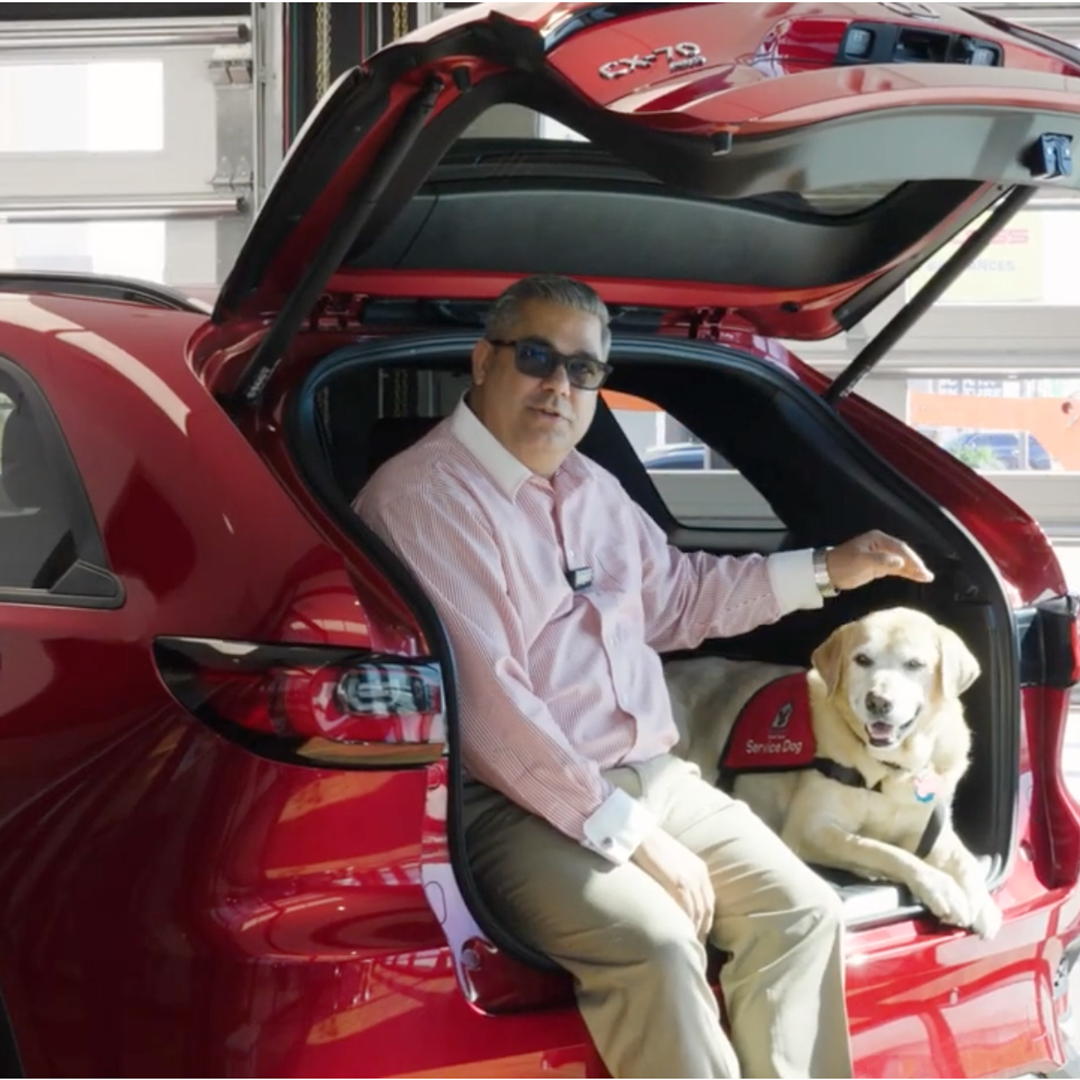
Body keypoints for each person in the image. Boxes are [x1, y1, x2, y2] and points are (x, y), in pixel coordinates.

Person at [354, 275, 934, 1079]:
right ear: (484, 362)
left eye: (584, 370)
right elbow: (493, 714)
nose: (559, 385)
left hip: (653, 776)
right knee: (656, 944)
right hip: (517, 801)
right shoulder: (425, 497)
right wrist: (635, 839)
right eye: (536, 357)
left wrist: (830, 571)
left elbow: (680, 597)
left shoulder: (593, 488)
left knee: (801, 912)